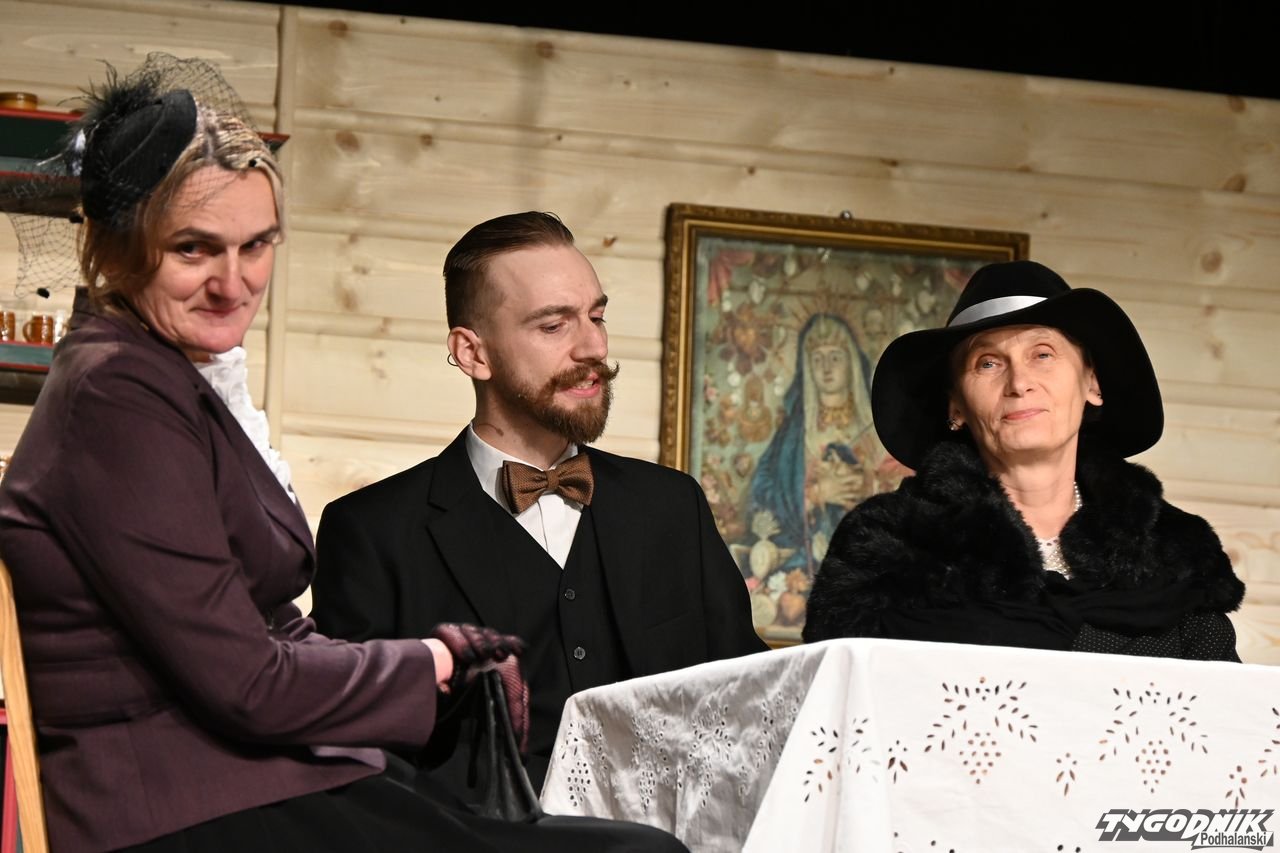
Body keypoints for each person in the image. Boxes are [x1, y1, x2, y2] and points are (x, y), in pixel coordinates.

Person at [0, 55, 688, 853]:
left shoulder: (164, 378)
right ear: (120, 247)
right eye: (194, 249)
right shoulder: (117, 395)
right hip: (182, 808)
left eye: (257, 244)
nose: (234, 282)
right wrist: (432, 662)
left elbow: (270, 638)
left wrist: (434, 669)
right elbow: (246, 681)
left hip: (249, 782)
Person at [312, 211, 767, 790]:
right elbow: (363, 765)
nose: (593, 346)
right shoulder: (371, 533)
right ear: (473, 353)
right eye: (554, 325)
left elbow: (753, 698)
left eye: (596, 317)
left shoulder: (673, 508)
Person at [803, 260, 1245, 660]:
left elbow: (1231, 710)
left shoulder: (1174, 550)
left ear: (1092, 383)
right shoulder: (887, 545)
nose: (1019, 383)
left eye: (1043, 354)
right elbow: (842, 697)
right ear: (956, 405)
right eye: (988, 363)